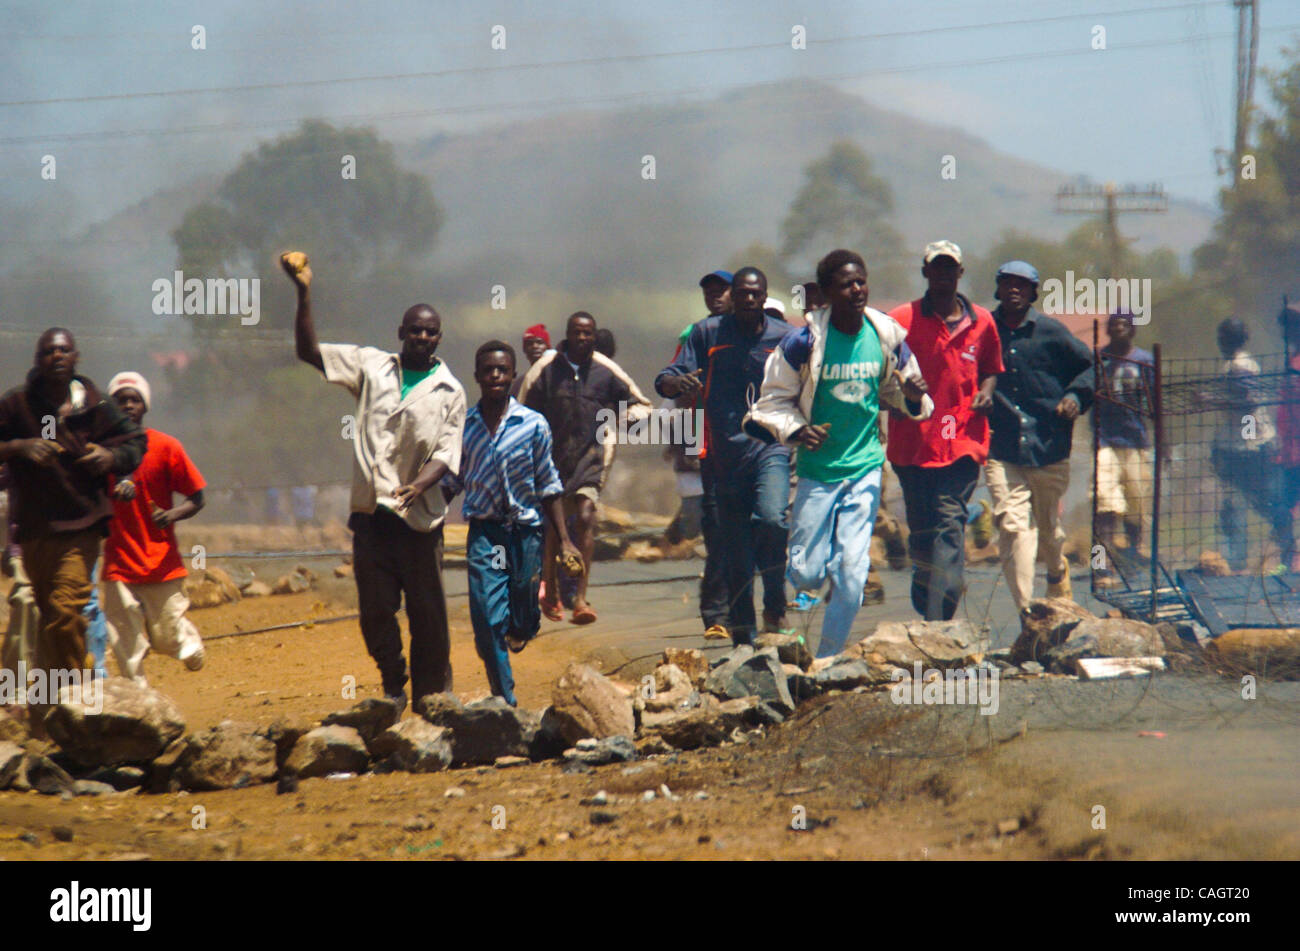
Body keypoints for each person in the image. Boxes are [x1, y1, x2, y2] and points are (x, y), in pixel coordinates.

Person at [285, 252, 465, 712]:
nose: (422, 336)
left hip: (420, 521)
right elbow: (309, 352)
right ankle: (392, 681)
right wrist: (304, 293)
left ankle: (431, 696)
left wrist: (419, 485)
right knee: (375, 610)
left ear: (439, 337)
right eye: (414, 329)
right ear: (400, 333)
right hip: (371, 517)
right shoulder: (370, 367)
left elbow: (447, 455)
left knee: (428, 613)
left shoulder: (451, 391)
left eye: (430, 331)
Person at [745, 250, 932, 658]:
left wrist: (912, 396)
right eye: (846, 284)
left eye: (861, 281)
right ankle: (820, 561)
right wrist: (798, 429)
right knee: (807, 575)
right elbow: (770, 403)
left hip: (865, 466)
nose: (857, 289)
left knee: (851, 576)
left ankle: (828, 659)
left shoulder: (886, 336)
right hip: (816, 471)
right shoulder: (804, 342)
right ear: (827, 293)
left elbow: (908, 395)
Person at [0, 328, 146, 729]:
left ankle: (78, 707)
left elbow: (136, 441)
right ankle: (46, 713)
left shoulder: (97, 407)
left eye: (64, 350)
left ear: (76, 357)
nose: (57, 356)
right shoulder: (17, 405)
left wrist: (110, 455)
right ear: (37, 359)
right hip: (33, 531)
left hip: (82, 525)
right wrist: (19, 447)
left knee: (65, 612)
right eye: (49, 351)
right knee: (51, 620)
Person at [657, 267, 793, 645]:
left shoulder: (785, 337)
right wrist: (676, 382)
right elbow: (668, 376)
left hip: (769, 448)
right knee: (733, 548)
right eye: (742, 293)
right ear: (733, 297)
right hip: (722, 457)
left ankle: (776, 601)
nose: (749, 299)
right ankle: (743, 635)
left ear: (765, 297)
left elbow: (811, 378)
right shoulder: (707, 334)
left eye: (756, 293)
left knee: (772, 519)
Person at [442, 342, 580, 706]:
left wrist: (564, 540)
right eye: (488, 370)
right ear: (477, 376)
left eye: (502, 370)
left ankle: (521, 627)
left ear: (512, 375)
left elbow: (548, 484)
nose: (495, 377)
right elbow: (450, 482)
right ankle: (504, 698)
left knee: (522, 613)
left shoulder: (533, 424)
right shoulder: (463, 428)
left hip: (525, 532)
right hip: (488, 535)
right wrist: (425, 525)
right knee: (487, 617)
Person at [887, 242, 1003, 621]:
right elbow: (879, 368)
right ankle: (928, 584)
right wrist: (898, 393)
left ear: (960, 273)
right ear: (925, 273)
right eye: (936, 269)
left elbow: (990, 368)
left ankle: (942, 613)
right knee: (922, 530)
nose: (943, 275)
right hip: (913, 443)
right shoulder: (901, 320)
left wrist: (985, 394)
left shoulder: (982, 321)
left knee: (949, 521)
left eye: (949, 269)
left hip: (963, 440)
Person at [519, 311, 650, 624]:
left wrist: (626, 418)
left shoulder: (606, 370)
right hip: (551, 459)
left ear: (594, 336)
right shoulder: (545, 370)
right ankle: (550, 593)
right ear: (567, 335)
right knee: (553, 525)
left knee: (587, 517)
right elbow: (520, 412)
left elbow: (641, 404)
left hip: (591, 457)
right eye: (576, 333)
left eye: (587, 333)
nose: (582, 339)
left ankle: (580, 598)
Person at [984, 260, 1095, 608]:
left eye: (1022, 284)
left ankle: (1056, 571)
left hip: (1048, 444)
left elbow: (1091, 367)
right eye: (1008, 283)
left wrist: (1075, 396)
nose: (1014, 290)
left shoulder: (1052, 332)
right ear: (998, 288)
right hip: (1001, 447)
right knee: (1013, 526)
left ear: (1034, 292)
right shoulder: (984, 331)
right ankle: (1027, 610)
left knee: (1049, 530)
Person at [101, 372, 208, 683]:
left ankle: (187, 640)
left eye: (135, 400)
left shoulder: (166, 447)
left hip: (160, 561)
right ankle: (139, 696)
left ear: (145, 406)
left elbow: (198, 496)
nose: (128, 406)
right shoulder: (101, 453)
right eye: (121, 401)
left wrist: (171, 515)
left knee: (166, 637)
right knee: (124, 639)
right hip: (118, 562)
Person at [663, 270, 734, 637]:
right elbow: (672, 382)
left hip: (753, 448)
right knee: (717, 528)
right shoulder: (698, 335)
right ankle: (717, 615)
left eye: (721, 290)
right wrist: (679, 385)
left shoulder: (763, 333)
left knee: (759, 528)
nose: (715, 296)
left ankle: (753, 611)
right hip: (709, 445)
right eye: (709, 291)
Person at [1209, 317, 1283, 572]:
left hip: (1249, 448)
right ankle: (1237, 559)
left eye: (1225, 336)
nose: (1221, 341)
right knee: (1238, 504)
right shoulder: (1234, 363)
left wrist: (1210, 400)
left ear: (1235, 339)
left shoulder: (1240, 366)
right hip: (1240, 445)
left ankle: (1282, 552)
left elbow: (1247, 405)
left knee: (1260, 502)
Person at [1094, 310, 1156, 583]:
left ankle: (1131, 558)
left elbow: (1154, 403)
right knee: (1104, 503)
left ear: (1132, 330)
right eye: (1114, 325)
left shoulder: (1144, 361)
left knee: (1136, 504)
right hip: (1105, 439)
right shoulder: (1099, 359)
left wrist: (1160, 444)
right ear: (1108, 330)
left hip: (1135, 439)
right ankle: (1100, 564)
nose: (1118, 330)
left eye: (1124, 325)